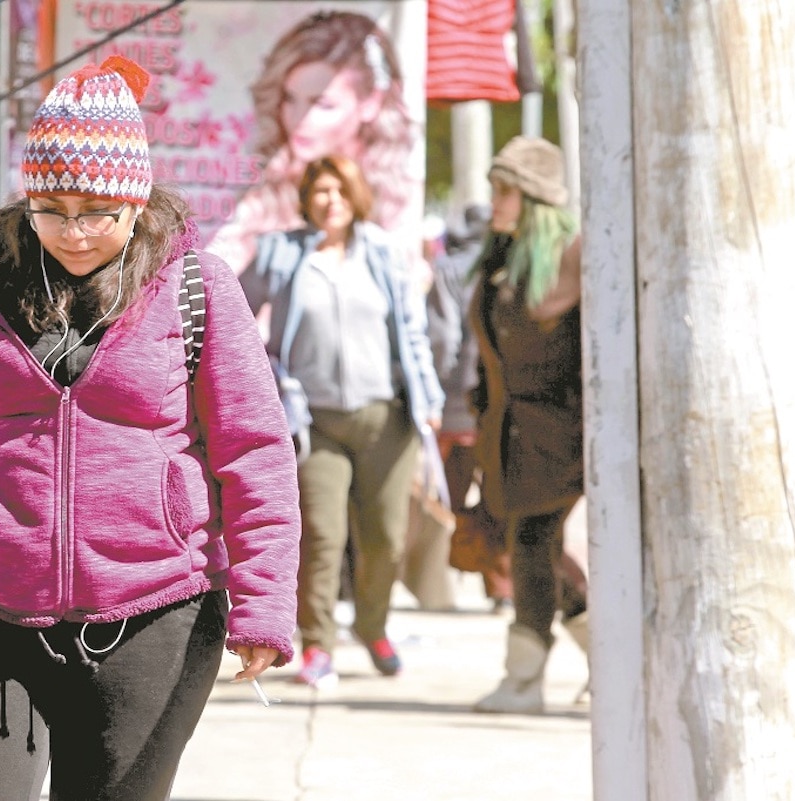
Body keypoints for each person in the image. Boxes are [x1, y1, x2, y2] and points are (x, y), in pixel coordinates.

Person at [0, 55, 302, 800]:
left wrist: (263, 601)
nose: (73, 231)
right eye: (51, 207)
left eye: (96, 210)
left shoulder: (197, 289)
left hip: (156, 613)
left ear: (136, 202)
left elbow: (254, 450)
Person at [238, 154, 444, 688]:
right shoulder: (283, 254)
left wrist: (430, 398)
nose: (330, 201)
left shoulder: (382, 252)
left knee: (386, 538)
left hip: (386, 417)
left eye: (340, 191)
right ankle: (317, 647)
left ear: (356, 197)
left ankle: (374, 628)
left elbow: (412, 332)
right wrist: (261, 378)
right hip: (314, 421)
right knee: (322, 536)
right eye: (320, 191)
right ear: (307, 199)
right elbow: (233, 312)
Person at [468, 135, 589, 714]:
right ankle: (600, 664)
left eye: (504, 189)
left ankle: (524, 682)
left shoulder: (574, 255)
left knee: (539, 551)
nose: (493, 200)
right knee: (536, 551)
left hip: (564, 438)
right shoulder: (501, 257)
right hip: (510, 438)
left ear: (534, 197)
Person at [206, 10, 422, 280]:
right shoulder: (263, 197)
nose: (298, 119)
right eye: (289, 99)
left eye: (321, 104)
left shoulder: (396, 203)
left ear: (370, 103)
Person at [425, 204, 514, 611]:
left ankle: (451, 572)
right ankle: (501, 586)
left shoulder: (448, 269)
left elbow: (442, 337)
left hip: (458, 401)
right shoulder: (506, 264)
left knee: (454, 495)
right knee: (499, 493)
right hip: (501, 398)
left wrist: (438, 390)